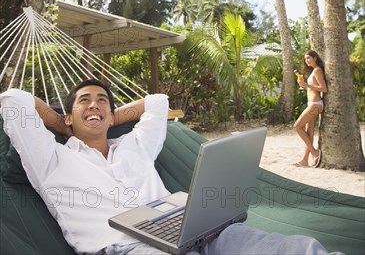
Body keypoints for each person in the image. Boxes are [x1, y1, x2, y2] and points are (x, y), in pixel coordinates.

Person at [0, 79, 341, 255]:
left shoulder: (135, 145)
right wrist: (63, 126)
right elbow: (12, 99)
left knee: (295, 248)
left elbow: (156, 103)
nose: (95, 104)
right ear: (67, 115)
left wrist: (110, 117)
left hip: (192, 230)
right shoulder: (52, 159)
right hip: (127, 247)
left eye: (102, 100)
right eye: (84, 101)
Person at [293, 50, 327, 168]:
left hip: (316, 104)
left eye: (309, 58)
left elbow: (323, 88)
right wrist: (303, 84)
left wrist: (306, 85)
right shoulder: (313, 71)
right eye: (305, 59)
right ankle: (304, 160)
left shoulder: (317, 70)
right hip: (311, 104)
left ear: (315, 58)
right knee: (309, 132)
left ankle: (315, 152)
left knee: (297, 127)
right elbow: (313, 88)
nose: (307, 61)